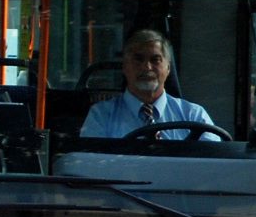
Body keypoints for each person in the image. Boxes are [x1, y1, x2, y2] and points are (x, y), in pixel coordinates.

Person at [80, 29, 220, 140]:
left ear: (168, 68)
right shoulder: (101, 116)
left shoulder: (194, 116)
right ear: (125, 67)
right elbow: (91, 168)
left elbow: (212, 166)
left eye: (155, 60)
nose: (147, 67)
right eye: (138, 59)